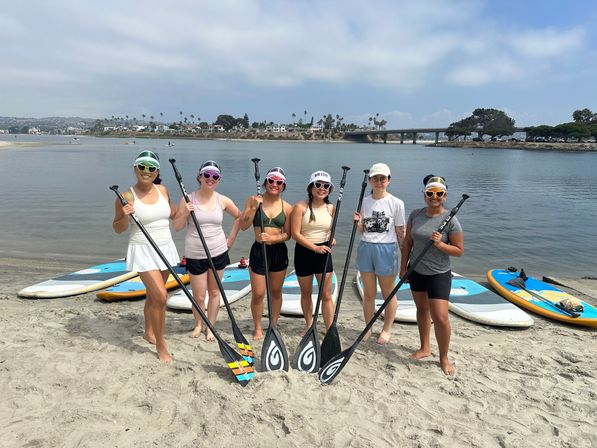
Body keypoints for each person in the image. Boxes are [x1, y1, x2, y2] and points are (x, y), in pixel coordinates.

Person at [112, 150, 179, 363]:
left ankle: (149, 331)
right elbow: (118, 229)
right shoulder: (126, 196)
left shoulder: (163, 190)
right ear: (135, 168)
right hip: (142, 249)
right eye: (142, 166)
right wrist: (124, 215)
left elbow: (173, 214)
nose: (146, 171)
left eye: (151, 167)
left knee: (153, 296)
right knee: (160, 296)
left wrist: (186, 209)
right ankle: (161, 344)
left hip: (166, 247)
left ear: (157, 171)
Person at [400, 175, 464, 375]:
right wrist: (403, 268)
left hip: (439, 274)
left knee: (441, 316)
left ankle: (444, 358)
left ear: (445, 196)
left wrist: (441, 244)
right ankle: (425, 348)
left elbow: (459, 250)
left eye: (439, 193)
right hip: (417, 270)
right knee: (422, 310)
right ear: (424, 195)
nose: (434, 197)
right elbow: (407, 243)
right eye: (430, 193)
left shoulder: (451, 221)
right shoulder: (415, 214)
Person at [173, 160, 241, 341]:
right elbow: (177, 227)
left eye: (215, 176)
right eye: (207, 175)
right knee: (199, 295)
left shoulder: (223, 200)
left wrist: (231, 240)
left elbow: (239, 217)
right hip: (195, 253)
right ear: (200, 176)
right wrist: (185, 212)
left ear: (219, 179)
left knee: (214, 292)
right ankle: (198, 324)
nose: (210, 179)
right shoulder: (187, 198)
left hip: (218, 251)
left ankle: (210, 327)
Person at [354, 163, 406, 344]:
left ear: (388, 180)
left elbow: (400, 232)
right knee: (368, 293)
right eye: (375, 178)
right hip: (366, 247)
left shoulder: (396, 203)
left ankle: (387, 329)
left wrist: (404, 257)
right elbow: (363, 230)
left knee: (388, 293)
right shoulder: (364, 202)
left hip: (387, 249)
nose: (378, 182)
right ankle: (368, 327)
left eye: (382, 178)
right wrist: (358, 223)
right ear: (369, 181)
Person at [240, 167, 292, 340]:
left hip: (278, 251)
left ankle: (274, 323)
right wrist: (253, 208)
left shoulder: (287, 207)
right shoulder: (253, 200)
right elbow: (243, 225)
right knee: (258, 293)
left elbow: (288, 234)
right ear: (265, 182)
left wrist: (273, 238)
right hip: (258, 251)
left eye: (279, 182)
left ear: (283, 185)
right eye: (271, 180)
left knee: (276, 291)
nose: (274, 184)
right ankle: (257, 328)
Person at [290, 171, 336, 332]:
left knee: (326, 294)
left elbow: (330, 230)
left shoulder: (331, 208)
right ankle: (309, 325)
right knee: (306, 292)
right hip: (304, 252)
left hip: (324, 252)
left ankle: (330, 329)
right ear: (310, 187)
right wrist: (315, 247)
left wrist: (331, 237)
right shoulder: (300, 207)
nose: (321, 188)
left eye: (326, 185)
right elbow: (295, 234)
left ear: (329, 189)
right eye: (318, 184)